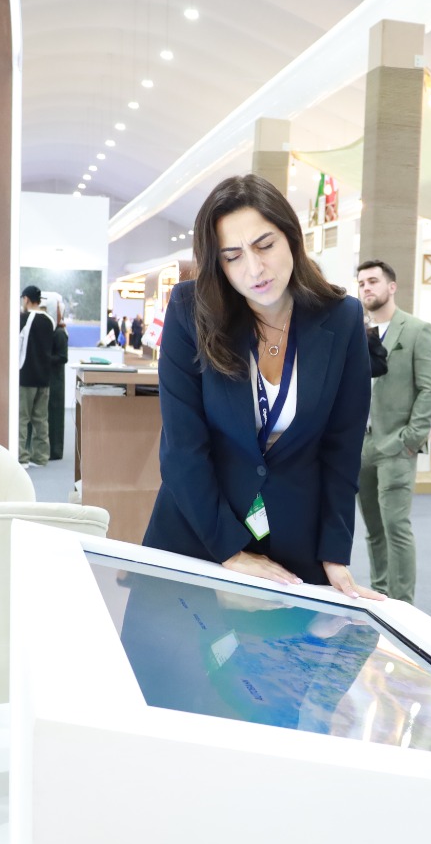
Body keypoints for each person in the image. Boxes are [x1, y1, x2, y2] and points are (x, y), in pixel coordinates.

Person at [143, 173, 381, 599]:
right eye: (232, 256)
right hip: (199, 534)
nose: (253, 269)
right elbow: (182, 448)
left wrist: (334, 552)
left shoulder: (342, 318)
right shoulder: (189, 310)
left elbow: (342, 448)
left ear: (291, 237)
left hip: (294, 543)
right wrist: (231, 551)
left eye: (265, 245)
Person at [355, 259, 431, 605]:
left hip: (396, 444)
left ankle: (403, 605)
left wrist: (410, 438)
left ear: (391, 287)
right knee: (373, 530)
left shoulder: (417, 330)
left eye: (373, 281)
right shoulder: (358, 331)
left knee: (396, 527)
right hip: (361, 444)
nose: (366, 288)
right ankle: (380, 598)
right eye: (361, 283)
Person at [17, 284, 56, 467]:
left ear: (26, 299)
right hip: (44, 377)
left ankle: (21, 457)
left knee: (22, 418)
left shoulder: (24, 318)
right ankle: (40, 457)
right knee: (41, 419)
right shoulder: (49, 320)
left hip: (26, 376)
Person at [46, 299, 69, 462]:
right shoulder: (56, 331)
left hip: (56, 380)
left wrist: (44, 357)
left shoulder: (59, 333)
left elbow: (62, 357)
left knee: (55, 416)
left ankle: (55, 450)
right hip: (53, 378)